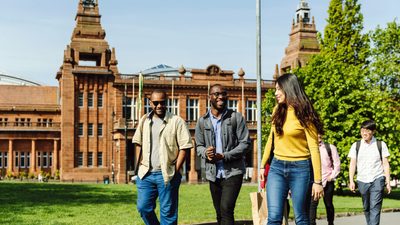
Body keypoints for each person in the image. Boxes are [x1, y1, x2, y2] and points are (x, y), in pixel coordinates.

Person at [259, 73, 324, 225]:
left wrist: (318, 181)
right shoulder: (277, 110)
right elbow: (271, 138)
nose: (276, 93)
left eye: (279, 89)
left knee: (301, 217)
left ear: (289, 89)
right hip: (277, 167)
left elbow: (314, 149)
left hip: (300, 169)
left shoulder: (305, 114)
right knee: (274, 217)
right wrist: (263, 165)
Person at [133, 89, 193, 225]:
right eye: (156, 103)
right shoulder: (144, 120)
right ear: (150, 103)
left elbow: (185, 147)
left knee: (168, 213)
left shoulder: (177, 121)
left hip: (167, 174)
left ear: (167, 103)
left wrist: (176, 170)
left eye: (162, 102)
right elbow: (138, 143)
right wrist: (140, 164)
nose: (159, 106)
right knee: (143, 208)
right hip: (146, 174)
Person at [195, 84, 251, 225]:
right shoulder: (202, 121)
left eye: (223, 93)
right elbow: (198, 146)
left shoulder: (236, 118)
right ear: (210, 97)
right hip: (213, 173)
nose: (221, 96)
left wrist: (224, 156)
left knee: (226, 209)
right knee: (219, 213)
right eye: (216, 94)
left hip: (233, 171)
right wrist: (206, 153)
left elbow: (245, 144)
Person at [348, 120, 391, 225]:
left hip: (377, 178)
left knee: (375, 207)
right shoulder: (356, 145)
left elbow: (385, 164)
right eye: (362, 130)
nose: (364, 133)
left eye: (367, 130)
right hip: (362, 180)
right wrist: (351, 181)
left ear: (373, 131)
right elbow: (352, 164)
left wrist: (388, 182)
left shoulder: (381, 144)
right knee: (366, 207)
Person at [309, 135, 341, 225]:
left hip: (327, 181)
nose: (318, 136)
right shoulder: (308, 147)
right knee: (312, 205)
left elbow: (337, 164)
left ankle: (330, 222)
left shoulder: (330, 148)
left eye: (320, 134)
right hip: (314, 182)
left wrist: (332, 176)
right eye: (316, 134)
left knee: (328, 204)